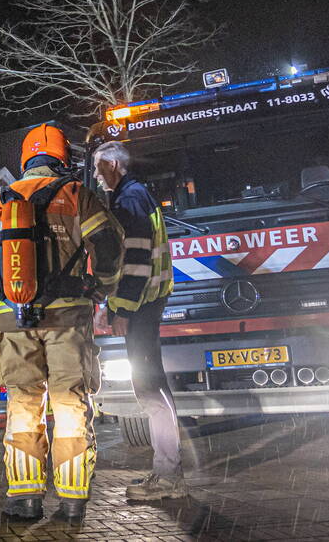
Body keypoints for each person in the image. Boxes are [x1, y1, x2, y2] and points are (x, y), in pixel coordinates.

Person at [0, 123, 124, 522]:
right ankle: (72, 499)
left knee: (23, 403)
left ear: (26, 159)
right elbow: (108, 243)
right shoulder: (76, 194)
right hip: (68, 316)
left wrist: (2, 287)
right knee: (70, 402)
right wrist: (102, 288)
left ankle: (25, 498)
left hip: (13, 318)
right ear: (62, 159)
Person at [92, 140, 184, 500]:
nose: (96, 174)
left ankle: (169, 476)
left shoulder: (129, 200)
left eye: (99, 166)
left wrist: (122, 310)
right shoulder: (138, 195)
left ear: (114, 164)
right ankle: (168, 473)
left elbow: (135, 261)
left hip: (142, 306)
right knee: (152, 386)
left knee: (150, 388)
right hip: (149, 303)